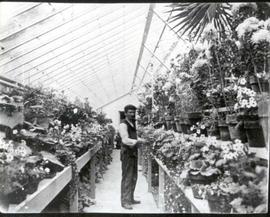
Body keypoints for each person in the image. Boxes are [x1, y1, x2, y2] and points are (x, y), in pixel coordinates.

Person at [119, 104, 146, 210]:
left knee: (134, 176)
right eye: (130, 112)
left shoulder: (132, 123)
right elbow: (125, 139)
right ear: (125, 113)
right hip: (127, 154)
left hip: (133, 153)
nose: (132, 114)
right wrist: (138, 141)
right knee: (127, 177)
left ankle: (130, 198)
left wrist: (139, 139)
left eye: (133, 112)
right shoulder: (123, 124)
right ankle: (124, 201)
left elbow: (133, 136)